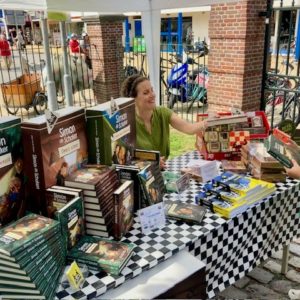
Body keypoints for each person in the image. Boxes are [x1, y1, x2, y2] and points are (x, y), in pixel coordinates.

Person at [120, 74, 207, 169]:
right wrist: (146, 163)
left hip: (162, 172)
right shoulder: (125, 123)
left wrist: (208, 122)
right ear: (133, 99)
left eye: (152, 90)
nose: (152, 95)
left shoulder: (163, 113)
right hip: (140, 177)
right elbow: (123, 159)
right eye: (146, 93)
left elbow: (189, 129)